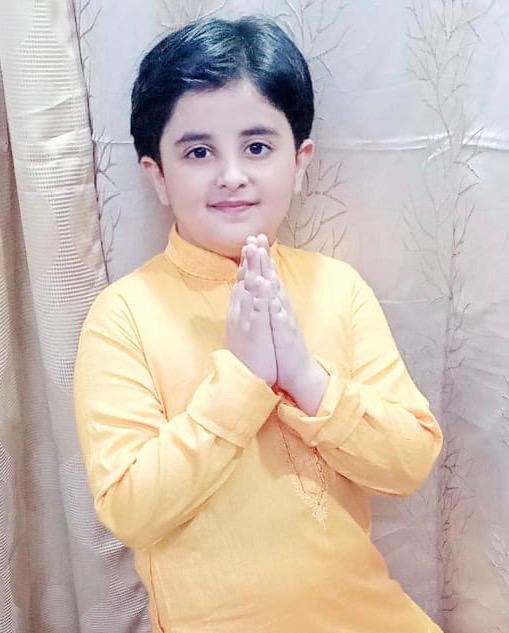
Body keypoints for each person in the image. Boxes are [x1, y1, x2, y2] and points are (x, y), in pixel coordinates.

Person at [73, 15, 444, 633]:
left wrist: (305, 377)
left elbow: (409, 463)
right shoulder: (124, 315)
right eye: (198, 152)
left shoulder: (338, 287)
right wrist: (241, 382)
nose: (231, 175)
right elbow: (131, 511)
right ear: (157, 175)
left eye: (257, 147)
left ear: (300, 162)